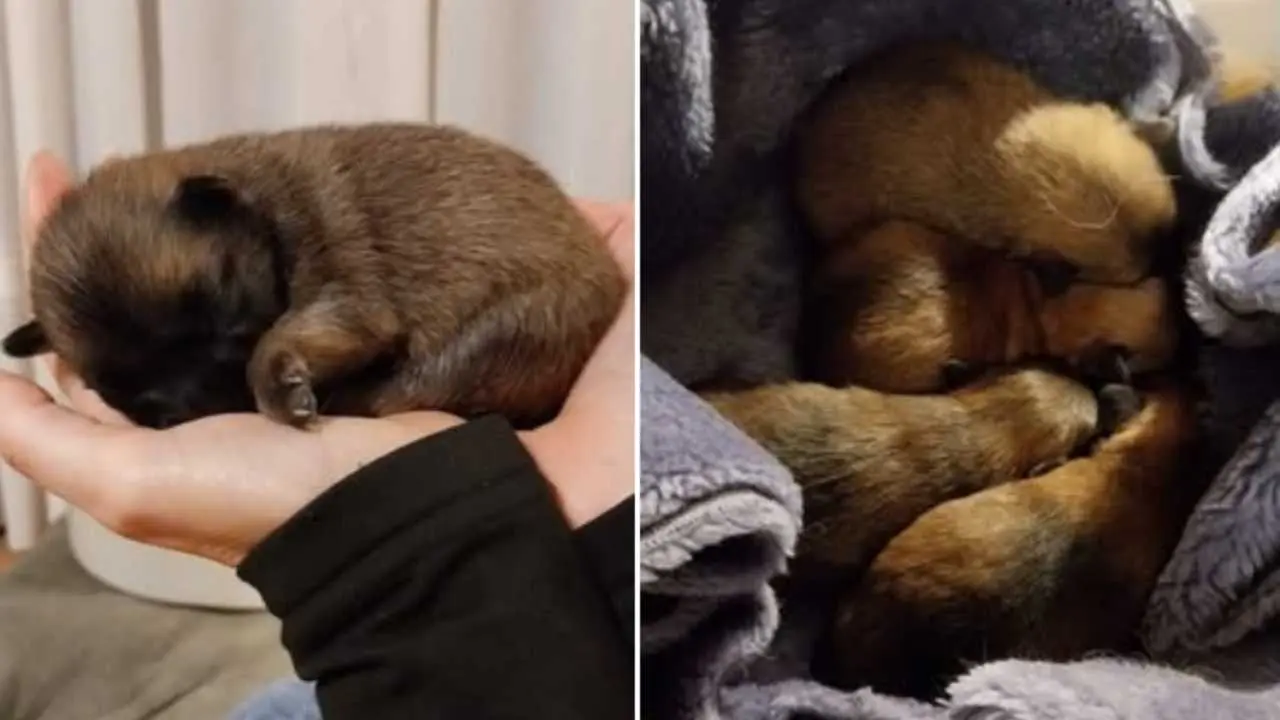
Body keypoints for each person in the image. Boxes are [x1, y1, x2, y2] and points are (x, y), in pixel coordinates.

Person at [0, 153, 636, 719]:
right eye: (133, 386)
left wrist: (289, 370)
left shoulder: (311, 215)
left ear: (224, 206)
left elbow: (361, 318)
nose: (192, 394)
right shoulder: (213, 235)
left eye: (208, 317)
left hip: (525, 306)